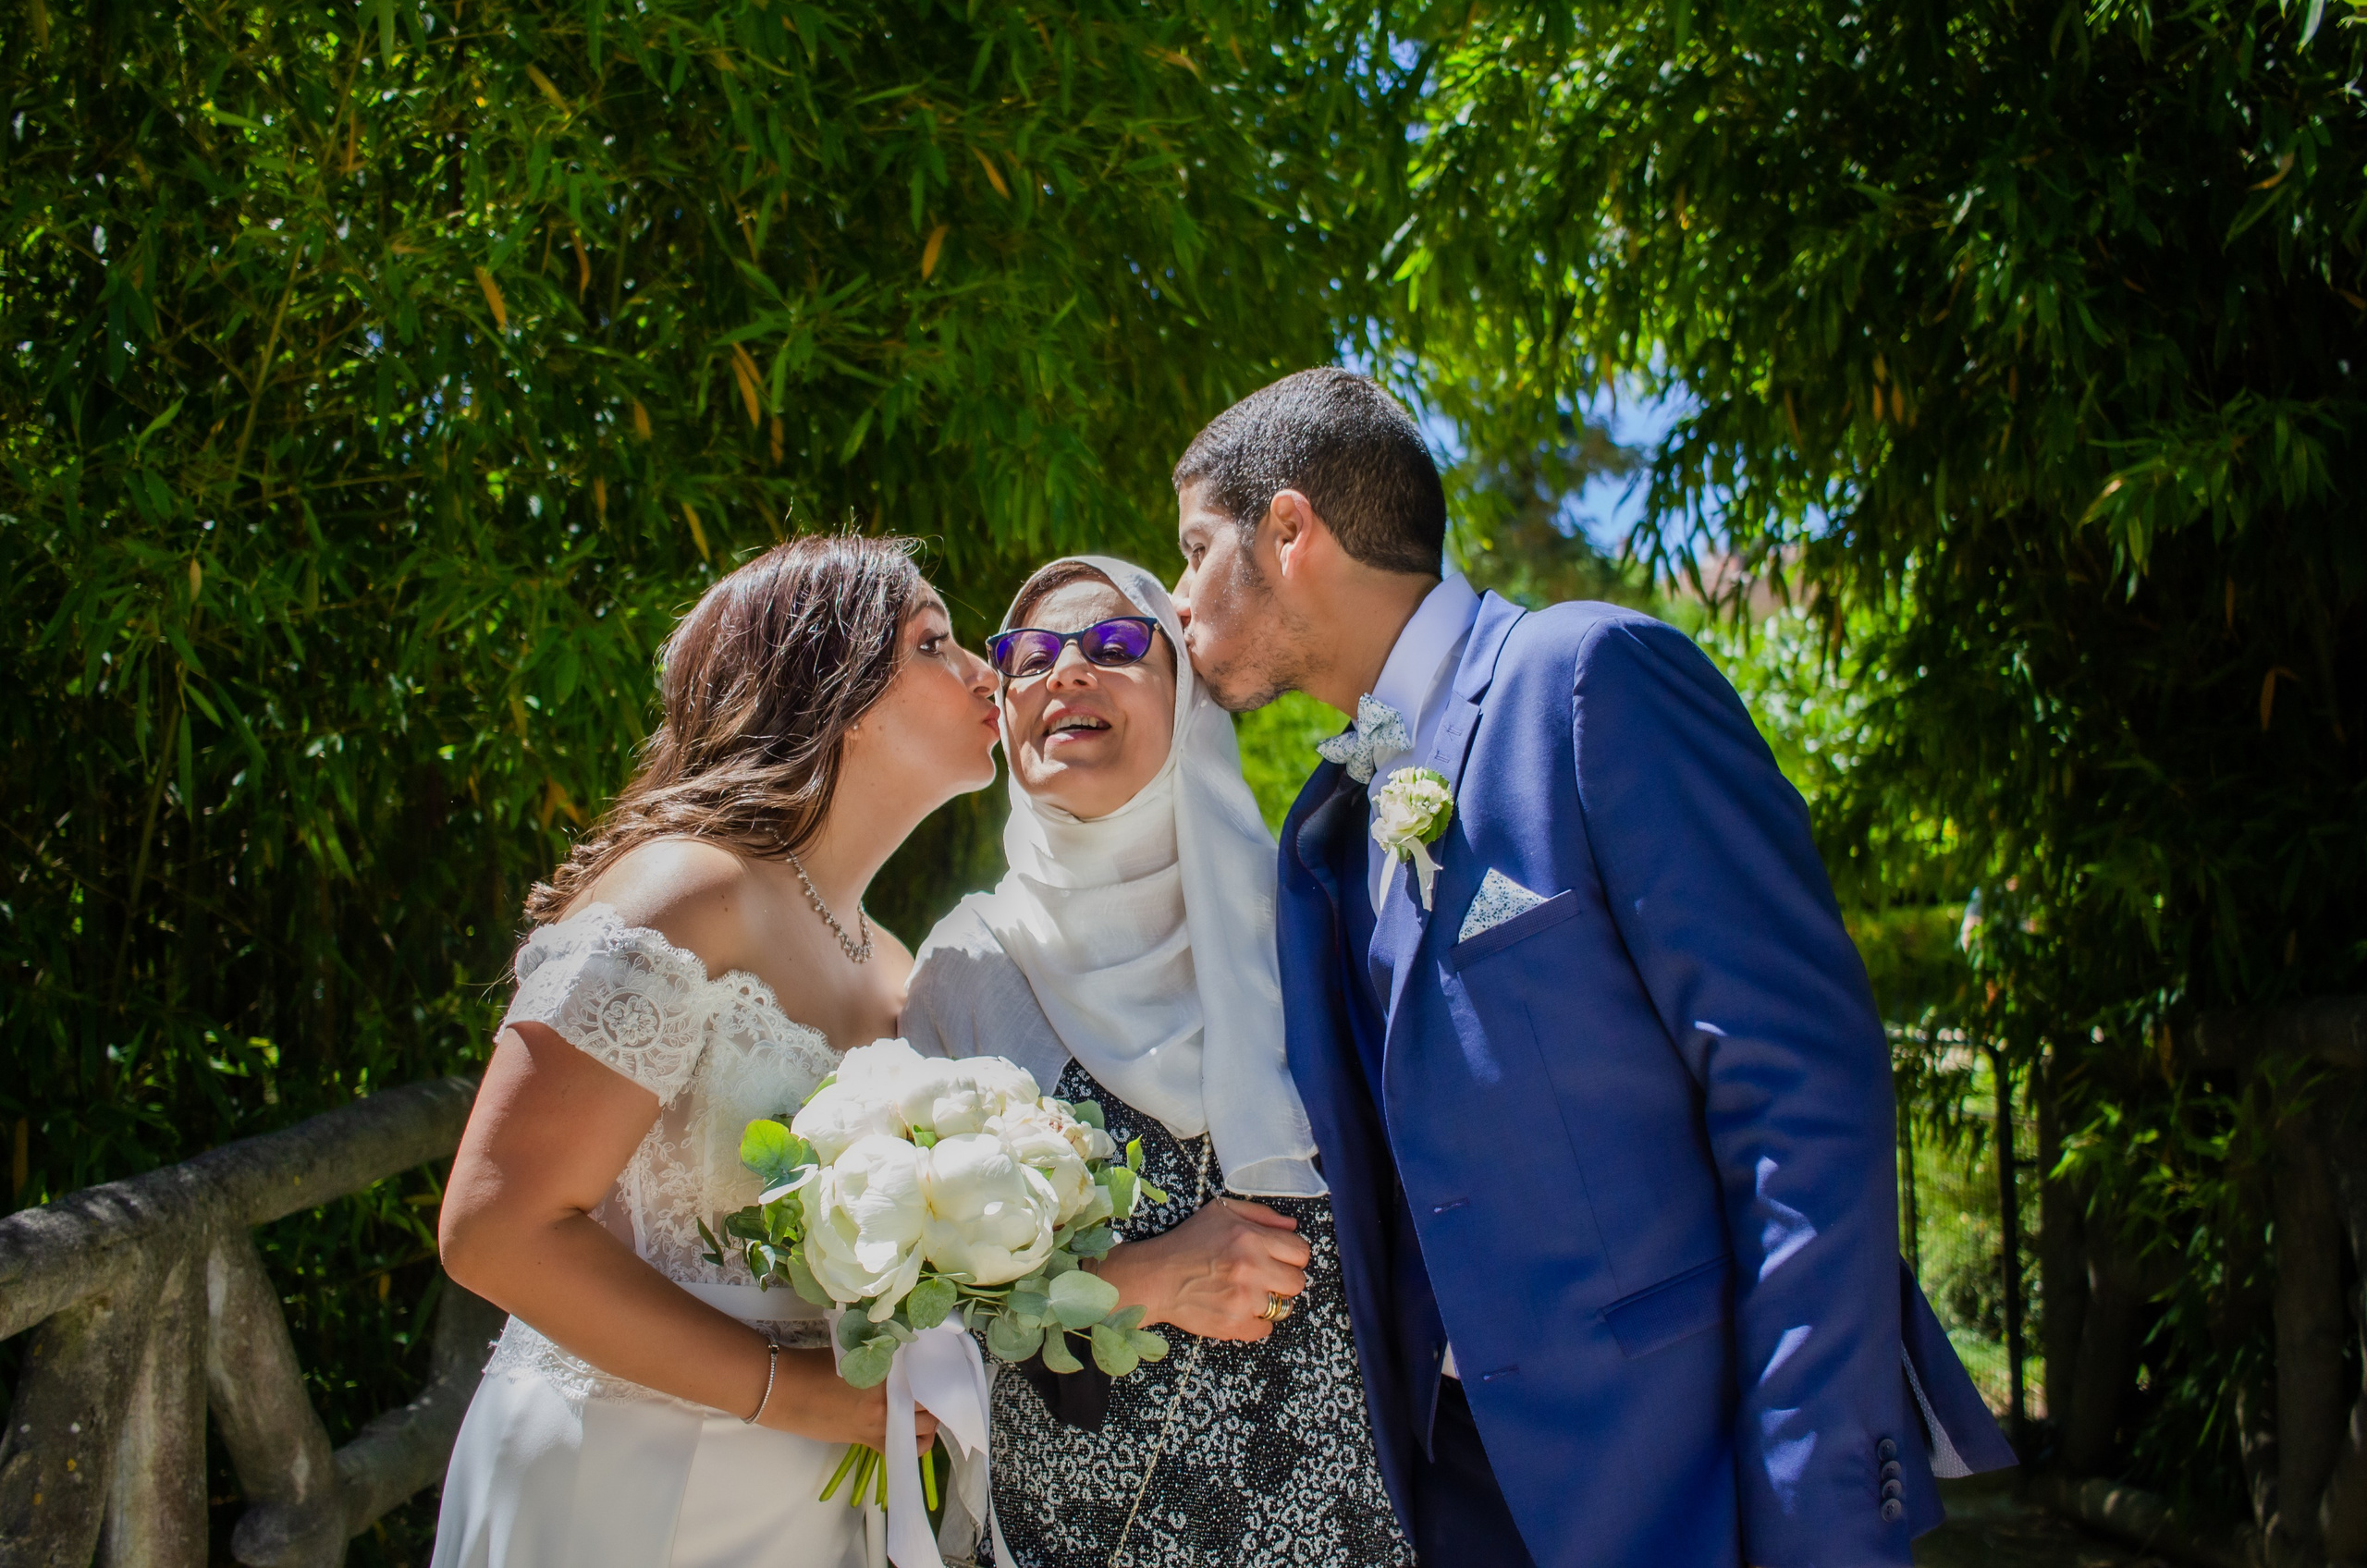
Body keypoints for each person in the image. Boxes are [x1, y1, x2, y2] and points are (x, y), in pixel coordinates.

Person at [1168, 369, 2017, 1568]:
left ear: (1291, 531)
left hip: (1680, 1476)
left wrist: (1813, 1502)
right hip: (1455, 1490)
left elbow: (1803, 1101)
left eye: (1198, 548)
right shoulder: (1328, 828)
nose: (1178, 595)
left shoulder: (1588, 679)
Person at [431, 536, 1003, 1568]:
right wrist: (789, 1394)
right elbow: (493, 1228)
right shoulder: (687, 892)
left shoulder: (890, 964)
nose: (985, 671)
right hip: (617, 1478)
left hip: (807, 1499)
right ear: (830, 685)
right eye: (934, 642)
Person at [900, 556, 1416, 1568]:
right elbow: (911, 1314)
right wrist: (1143, 1280)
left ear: (1188, 702)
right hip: (1084, 1533)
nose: (1065, 674)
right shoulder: (966, 969)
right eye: (1029, 656)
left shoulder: (1311, 923)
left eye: (1115, 644)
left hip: (1349, 1523)